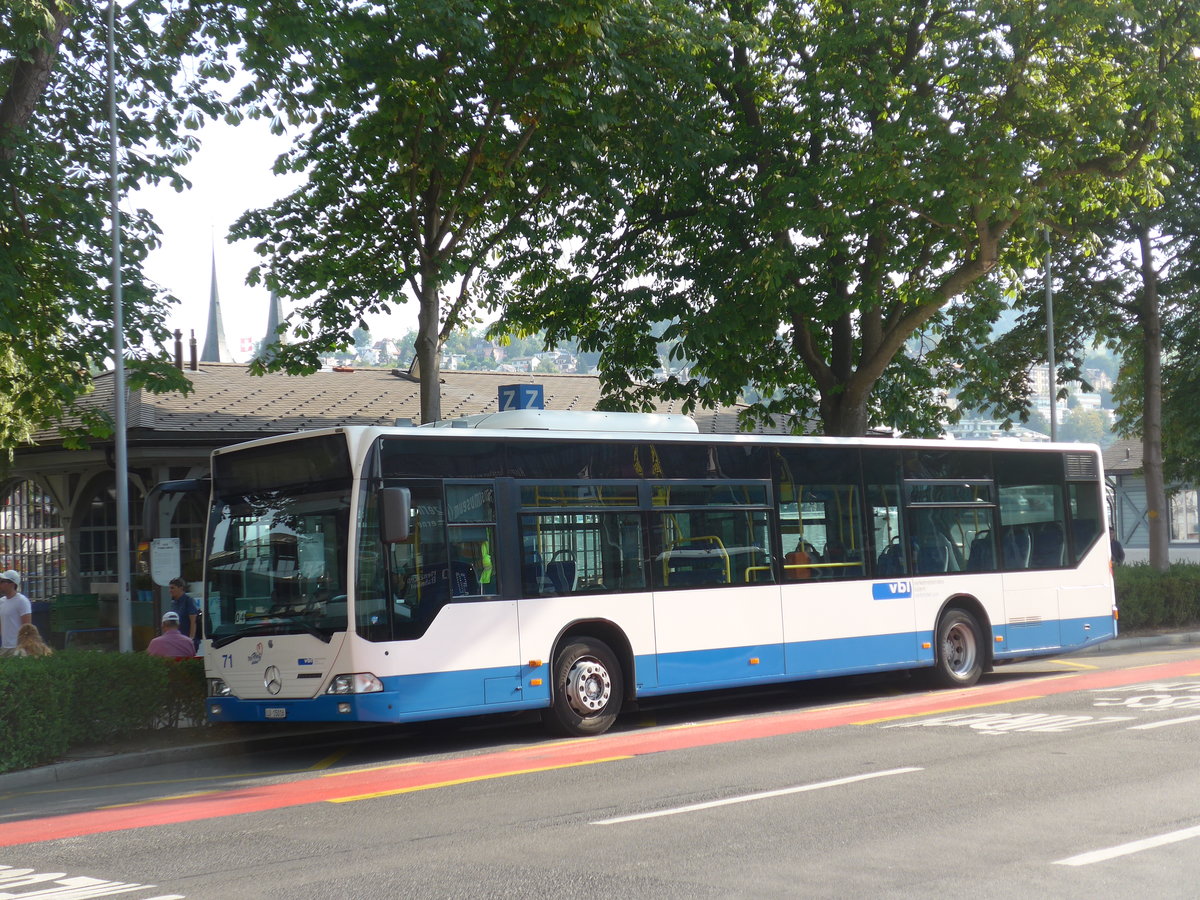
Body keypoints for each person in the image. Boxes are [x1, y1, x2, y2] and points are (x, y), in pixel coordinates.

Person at [0, 569, 32, 655]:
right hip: (4, 647)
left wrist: (24, 648)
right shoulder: (1, 602)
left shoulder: (22, 601)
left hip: (17, 648)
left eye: (2, 581)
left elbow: (27, 627)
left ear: (12, 584)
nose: (0, 584)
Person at [168, 577, 200, 649]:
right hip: (177, 640)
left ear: (181, 588)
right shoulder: (174, 603)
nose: (170, 591)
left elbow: (193, 622)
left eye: (172, 588)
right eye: (169, 588)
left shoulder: (188, 601)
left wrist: (191, 639)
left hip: (187, 640)